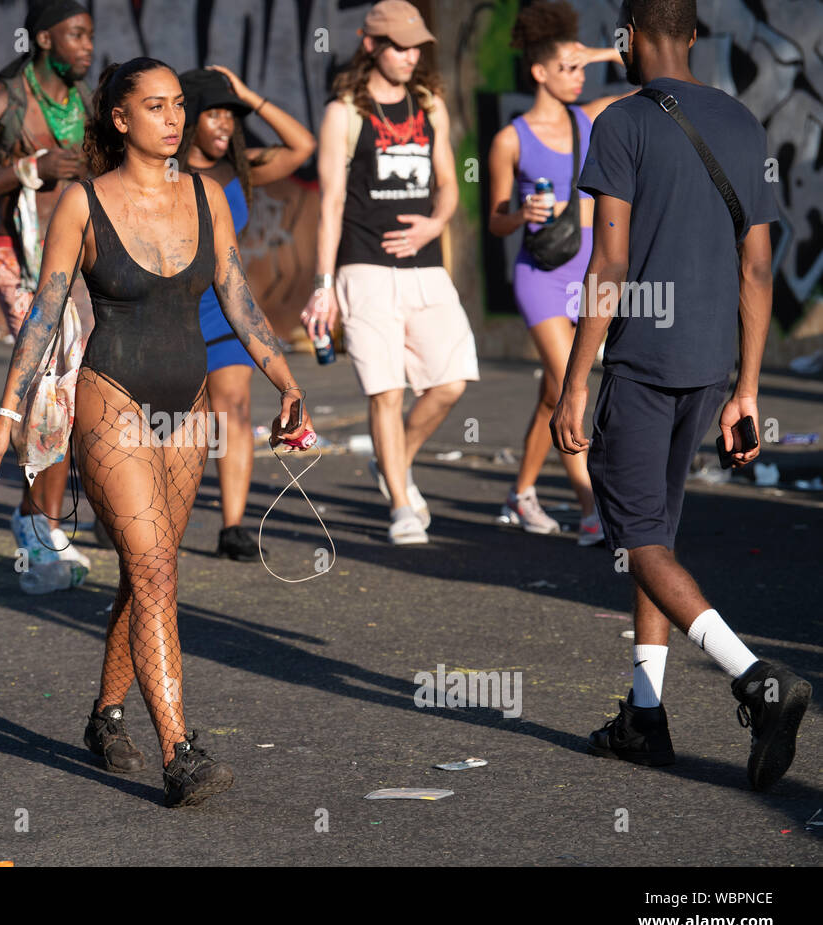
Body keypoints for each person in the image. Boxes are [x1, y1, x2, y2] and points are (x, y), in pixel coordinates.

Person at [0, 58, 312, 807]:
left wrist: (287, 381)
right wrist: (5, 420)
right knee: (155, 569)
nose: (173, 118)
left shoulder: (209, 195)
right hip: (112, 397)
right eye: (154, 106)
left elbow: (238, 295)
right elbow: (45, 314)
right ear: (119, 119)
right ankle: (181, 753)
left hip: (186, 405)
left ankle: (105, 715)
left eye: (179, 105)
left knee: (147, 573)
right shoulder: (83, 204)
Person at [550, 0, 811, 791]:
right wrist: (748, 389)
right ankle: (645, 715)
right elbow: (758, 268)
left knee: (635, 535)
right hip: (710, 368)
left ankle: (759, 681)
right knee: (654, 536)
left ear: (628, 38)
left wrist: (573, 381)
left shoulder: (621, 123)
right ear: (695, 36)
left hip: (642, 361)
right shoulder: (741, 121)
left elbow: (609, 264)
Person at [302, 0, 478, 546]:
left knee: (450, 382)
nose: (410, 56)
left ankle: (392, 459)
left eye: (416, 46)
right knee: (386, 391)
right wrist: (323, 286)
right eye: (399, 46)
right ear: (371, 45)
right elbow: (331, 202)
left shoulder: (429, 105)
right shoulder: (344, 112)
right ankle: (400, 503)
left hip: (425, 267)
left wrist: (434, 225)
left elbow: (449, 183)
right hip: (364, 267)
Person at [0, 0, 94, 576]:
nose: (86, 45)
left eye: (90, 35)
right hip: (20, 261)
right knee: (46, 387)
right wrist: (29, 170)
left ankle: (45, 519)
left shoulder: (83, 102)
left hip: (79, 259)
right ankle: (39, 525)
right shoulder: (2, 100)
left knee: (77, 389)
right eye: (75, 35)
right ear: (43, 39)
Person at [488, 1, 624, 545]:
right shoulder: (510, 138)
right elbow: (498, 222)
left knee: (553, 391)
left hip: (589, 271)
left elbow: (660, 79)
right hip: (540, 277)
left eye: (584, 67)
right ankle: (592, 510)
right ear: (539, 72)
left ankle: (520, 494)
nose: (581, 75)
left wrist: (592, 49)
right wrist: (522, 214)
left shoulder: (592, 117)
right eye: (568, 67)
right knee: (576, 384)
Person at [174, 65, 314, 560]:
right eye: (213, 113)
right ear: (187, 115)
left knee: (233, 407)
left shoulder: (241, 167)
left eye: (230, 116)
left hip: (226, 306)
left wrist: (250, 97)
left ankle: (233, 526)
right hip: (171, 312)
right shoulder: (161, 169)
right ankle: (137, 516)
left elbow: (302, 147)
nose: (225, 125)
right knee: (179, 424)